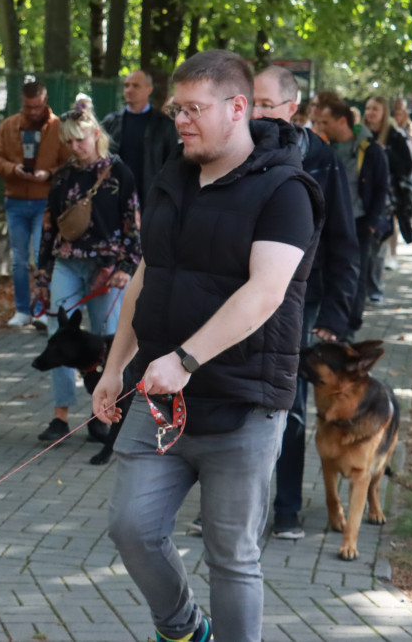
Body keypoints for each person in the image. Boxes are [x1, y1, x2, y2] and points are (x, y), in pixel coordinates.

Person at [93, 50, 323, 642]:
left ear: (238, 107)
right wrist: (116, 365)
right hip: (158, 394)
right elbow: (149, 272)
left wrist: (187, 359)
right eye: (178, 110)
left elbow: (266, 292)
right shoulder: (173, 174)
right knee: (131, 528)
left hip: (243, 403)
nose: (182, 121)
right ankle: (182, 627)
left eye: (194, 109)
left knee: (231, 556)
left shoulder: (285, 189)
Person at [252, 66, 360, 540]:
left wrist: (336, 315)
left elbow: (343, 241)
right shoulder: (233, 153)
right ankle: (229, 502)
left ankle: (288, 509)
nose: (253, 113)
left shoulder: (322, 159)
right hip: (241, 294)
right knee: (232, 395)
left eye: (264, 105)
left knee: (288, 401)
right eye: (247, 103)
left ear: (291, 110)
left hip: (303, 300)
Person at [33, 99, 141, 442]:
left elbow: (133, 226)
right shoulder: (63, 176)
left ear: (96, 134)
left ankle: (103, 416)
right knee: (59, 338)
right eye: (68, 141)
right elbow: (50, 227)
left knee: (109, 343)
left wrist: (125, 266)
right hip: (66, 264)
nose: (74, 147)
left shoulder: (120, 173)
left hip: (108, 271)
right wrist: (42, 275)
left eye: (80, 139)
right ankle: (60, 416)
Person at [0, 79, 72, 327]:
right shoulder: (9, 125)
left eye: (37, 106)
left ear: (45, 101)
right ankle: (22, 309)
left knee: (41, 256)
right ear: (22, 104)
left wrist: (49, 173)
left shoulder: (58, 127)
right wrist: (13, 168)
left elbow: (69, 163)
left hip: (43, 202)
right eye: (28, 107)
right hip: (14, 200)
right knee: (18, 260)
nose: (33, 112)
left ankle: (42, 311)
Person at [315, 96, 390, 339]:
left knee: (355, 278)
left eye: (326, 122)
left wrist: (371, 223)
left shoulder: (370, 150)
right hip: (329, 224)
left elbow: (381, 189)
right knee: (331, 272)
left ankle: (348, 330)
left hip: (359, 224)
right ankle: (329, 324)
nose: (321, 127)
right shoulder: (325, 150)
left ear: (342, 121)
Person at [101, 70, 181, 205]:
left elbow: (173, 163)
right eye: (126, 85)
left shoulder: (164, 124)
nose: (129, 90)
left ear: (149, 89)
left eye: (136, 86)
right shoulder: (111, 122)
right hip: (114, 195)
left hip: (150, 197)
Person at [363, 95, 412, 279]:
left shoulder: (394, 136)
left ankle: (375, 285)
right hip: (361, 195)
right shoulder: (359, 133)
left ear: (384, 112)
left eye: (375, 109)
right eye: (368, 108)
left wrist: (386, 153)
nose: (370, 113)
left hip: (385, 196)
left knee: (378, 239)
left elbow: (406, 166)